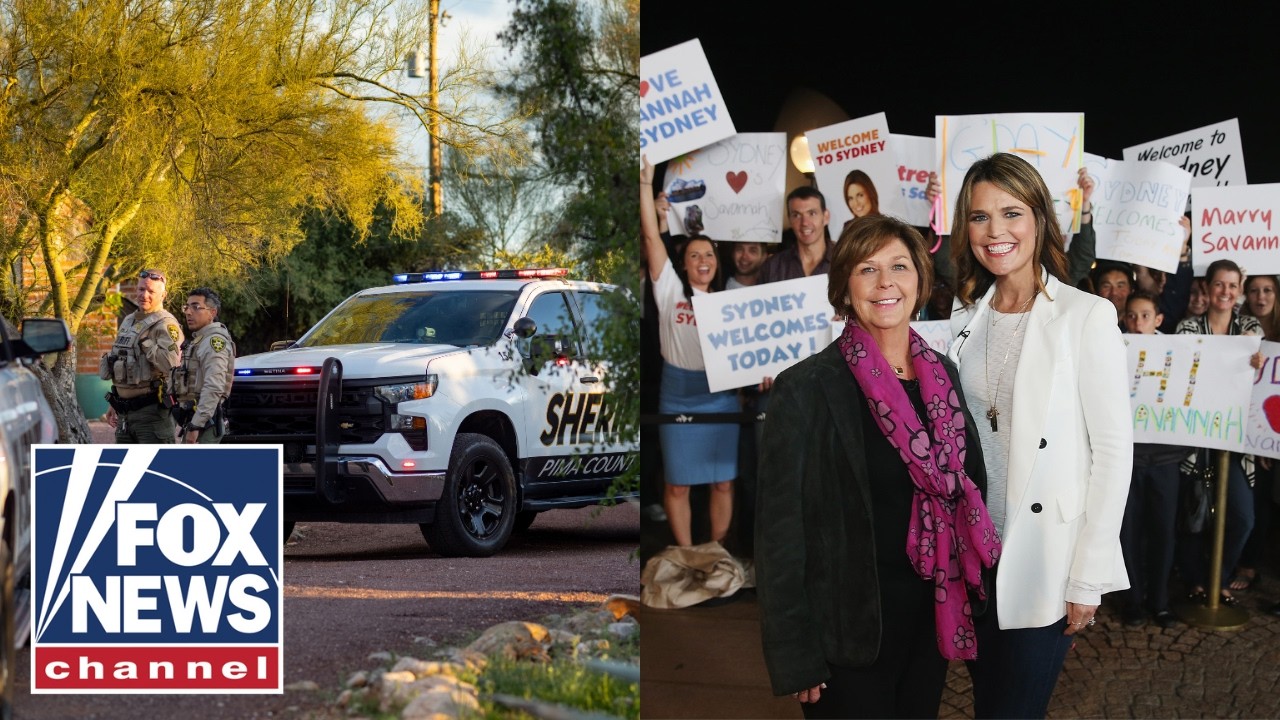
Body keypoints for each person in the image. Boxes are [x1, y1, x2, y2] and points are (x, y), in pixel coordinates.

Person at [756, 215, 1000, 719]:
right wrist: (795, 654)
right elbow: (779, 536)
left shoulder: (944, 376)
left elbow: (967, 485)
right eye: (868, 269)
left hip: (930, 620)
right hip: (847, 636)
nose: (886, 283)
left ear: (919, 281)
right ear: (845, 286)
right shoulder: (805, 388)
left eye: (900, 267)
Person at [946, 153, 1132, 719]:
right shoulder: (963, 322)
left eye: (1011, 213)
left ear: (1040, 220)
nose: (995, 231)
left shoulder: (1086, 315)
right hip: (976, 559)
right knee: (988, 706)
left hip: (1047, 559)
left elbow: (1113, 452)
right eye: (979, 217)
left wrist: (1088, 573)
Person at [641, 156, 738, 548]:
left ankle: (714, 554)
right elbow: (651, 237)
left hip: (722, 396)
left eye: (710, 255)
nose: (703, 261)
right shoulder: (668, 290)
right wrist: (645, 187)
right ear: (682, 263)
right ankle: (685, 554)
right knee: (678, 484)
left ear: (717, 263)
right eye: (695, 255)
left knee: (723, 481)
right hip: (677, 391)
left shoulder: (731, 300)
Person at [1174, 258, 1263, 607]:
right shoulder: (1187, 328)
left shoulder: (1250, 327)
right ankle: (1197, 580)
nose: (1225, 291)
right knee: (1194, 513)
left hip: (1237, 441)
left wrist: (1257, 360)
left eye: (1232, 285)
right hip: (1196, 441)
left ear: (1239, 291)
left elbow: (1258, 381)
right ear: (1207, 289)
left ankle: (1220, 578)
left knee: (1243, 517)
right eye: (1218, 284)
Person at [1117, 291, 1183, 629]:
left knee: (1163, 532)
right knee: (1128, 532)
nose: (1137, 322)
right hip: (1127, 460)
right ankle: (1133, 601)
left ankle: (1160, 601)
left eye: (1145, 316)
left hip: (1166, 459)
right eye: (1132, 315)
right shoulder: (1114, 350)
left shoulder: (1178, 353)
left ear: (1159, 319)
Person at [100, 269, 185, 443]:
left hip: (151, 416)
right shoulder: (128, 320)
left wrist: (146, 343)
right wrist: (114, 401)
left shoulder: (166, 324)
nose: (144, 295)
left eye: (151, 291)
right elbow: (121, 360)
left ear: (163, 295)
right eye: (140, 289)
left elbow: (171, 364)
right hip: (124, 414)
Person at [170, 288, 236, 444]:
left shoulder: (214, 343)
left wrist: (196, 426)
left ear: (212, 312)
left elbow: (213, 387)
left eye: (196, 307)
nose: (188, 312)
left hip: (205, 425)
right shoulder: (199, 340)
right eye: (186, 307)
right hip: (195, 419)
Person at [759, 186, 833, 284]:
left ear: (826, 217)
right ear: (789, 220)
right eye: (796, 215)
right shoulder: (772, 267)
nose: (805, 223)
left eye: (812, 213)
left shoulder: (846, 262)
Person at [1091, 261, 1134, 325]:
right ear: (1096, 291)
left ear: (1131, 290)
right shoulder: (1089, 323)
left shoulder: (1139, 327)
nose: (1114, 292)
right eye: (1106, 286)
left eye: (1120, 286)